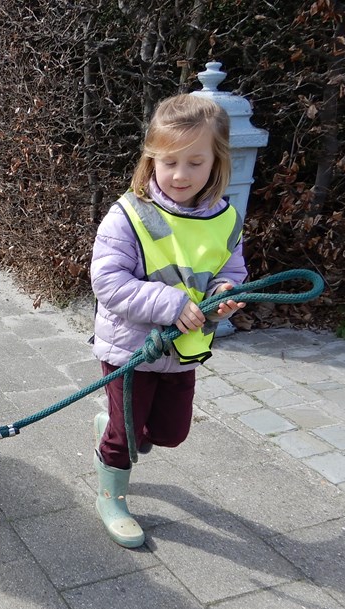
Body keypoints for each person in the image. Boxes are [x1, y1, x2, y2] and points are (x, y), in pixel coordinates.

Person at [89, 93, 247, 549]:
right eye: (169, 161)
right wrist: (172, 304)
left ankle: (115, 428)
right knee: (126, 437)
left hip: (184, 351)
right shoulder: (128, 215)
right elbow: (108, 282)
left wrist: (224, 294)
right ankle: (112, 498)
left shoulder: (226, 220)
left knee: (171, 433)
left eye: (195, 163)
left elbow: (231, 271)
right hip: (130, 349)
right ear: (151, 159)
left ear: (216, 162)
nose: (180, 175)